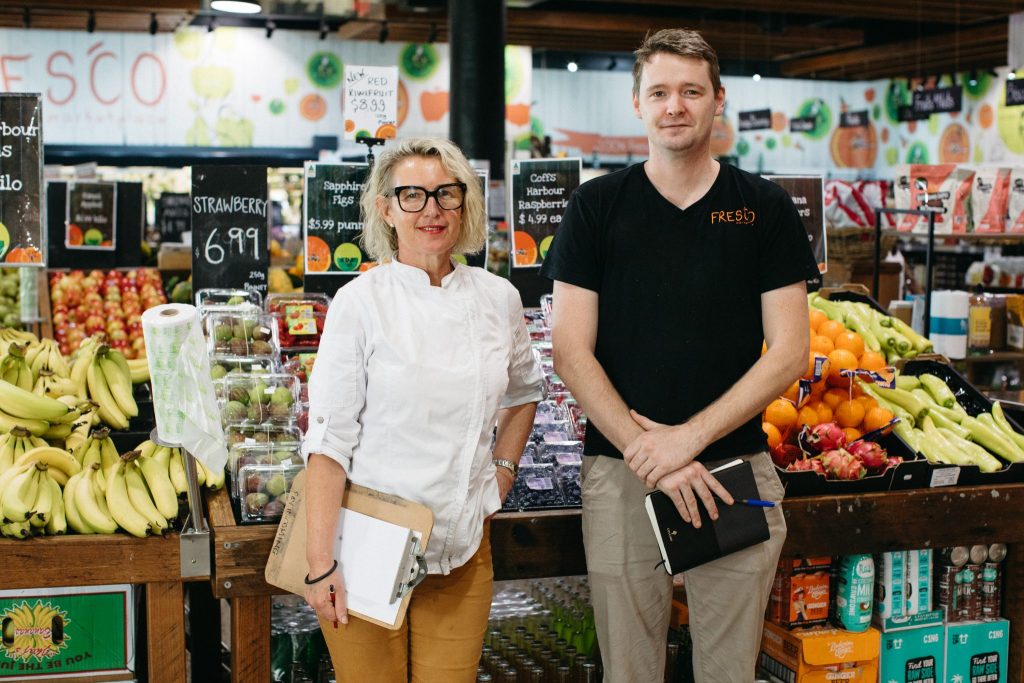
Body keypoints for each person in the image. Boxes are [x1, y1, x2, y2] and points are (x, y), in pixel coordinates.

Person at [540, 29, 819, 682]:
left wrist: (685, 442)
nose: (675, 105)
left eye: (691, 91)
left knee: (729, 670)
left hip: (736, 472)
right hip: (619, 473)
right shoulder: (596, 207)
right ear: (637, 103)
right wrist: (651, 453)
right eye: (660, 91)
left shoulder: (762, 210)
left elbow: (790, 351)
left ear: (717, 101)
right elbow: (569, 351)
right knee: (629, 672)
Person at [302, 137, 543, 682]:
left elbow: (526, 390)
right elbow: (328, 442)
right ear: (386, 209)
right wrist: (321, 565)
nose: (431, 210)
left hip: (460, 554)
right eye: (412, 195)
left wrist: (501, 474)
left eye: (445, 194)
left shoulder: (497, 298)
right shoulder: (359, 303)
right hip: (367, 548)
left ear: (465, 203)